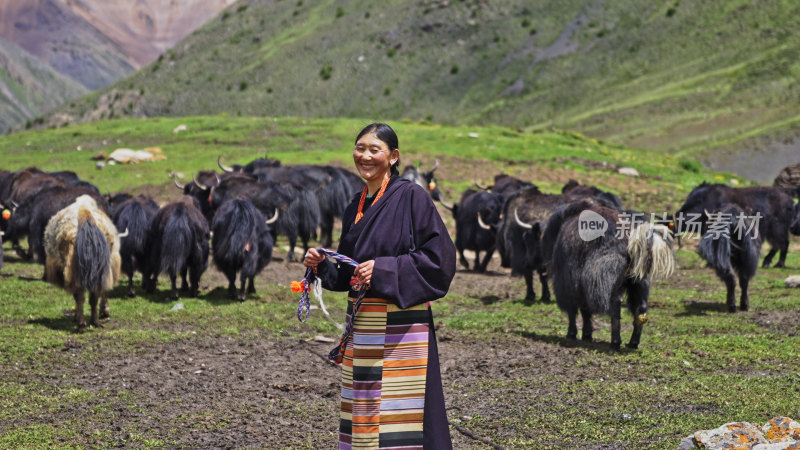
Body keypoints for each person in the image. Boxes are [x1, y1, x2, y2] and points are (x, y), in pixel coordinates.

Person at [304, 122, 456, 449]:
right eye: (360, 148)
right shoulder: (353, 206)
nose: (366, 156)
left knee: (406, 414)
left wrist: (385, 270)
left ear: (393, 156)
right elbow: (347, 273)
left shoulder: (412, 197)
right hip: (363, 326)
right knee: (367, 410)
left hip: (403, 325)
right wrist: (321, 265)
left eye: (375, 149)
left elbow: (440, 260)